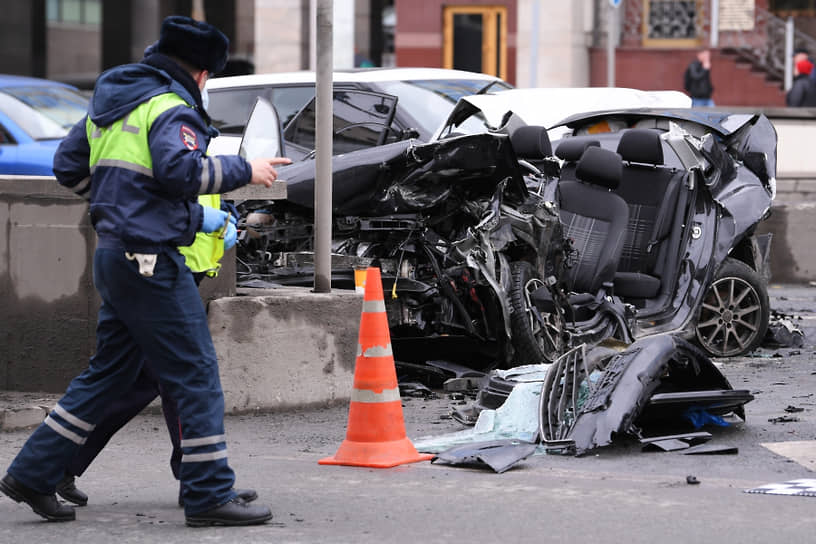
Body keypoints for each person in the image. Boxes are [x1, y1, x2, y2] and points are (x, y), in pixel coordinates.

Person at [0, 15, 290, 527]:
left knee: (108, 375)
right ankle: (206, 494)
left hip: (118, 253)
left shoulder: (109, 105)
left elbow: (69, 168)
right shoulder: (168, 106)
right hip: (151, 259)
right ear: (201, 73)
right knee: (196, 374)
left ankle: (32, 473)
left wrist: (120, 207)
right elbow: (182, 173)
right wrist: (249, 170)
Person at [54, 42, 256, 512]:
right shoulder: (163, 111)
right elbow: (164, 182)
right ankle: (202, 483)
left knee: (141, 380)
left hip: (177, 258)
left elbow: (170, 185)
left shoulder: (160, 112)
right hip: (161, 261)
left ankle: (197, 477)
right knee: (169, 379)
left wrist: (219, 213)